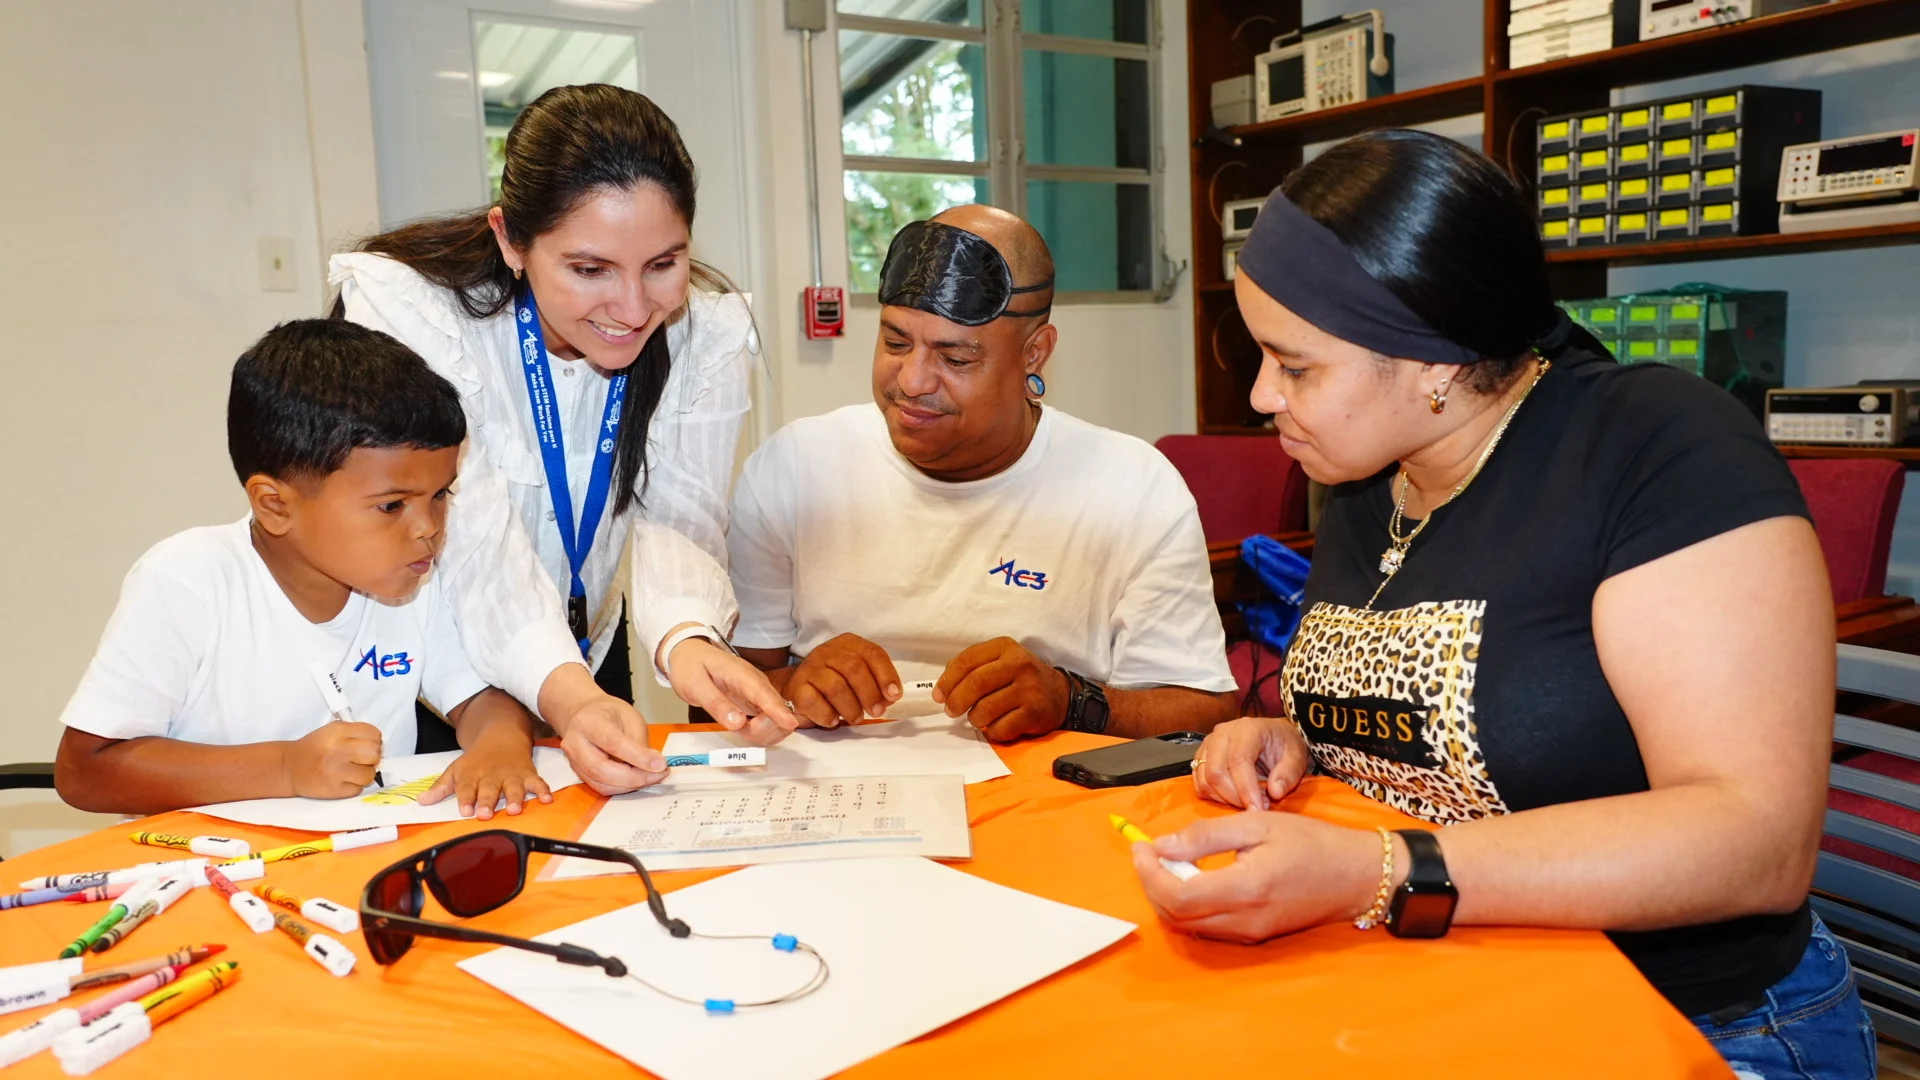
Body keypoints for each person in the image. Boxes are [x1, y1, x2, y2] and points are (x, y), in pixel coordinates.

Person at [1127, 131, 1870, 1079]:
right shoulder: (1370, 474)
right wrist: (1293, 736)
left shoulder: (1659, 449)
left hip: (1689, 1025)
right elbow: (1482, 711)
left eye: (1295, 365)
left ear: (1434, 359)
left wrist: (1378, 870)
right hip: (1444, 989)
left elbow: (1755, 840)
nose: (1262, 394)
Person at [330, 84, 796, 784]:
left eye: (664, 264)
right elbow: (473, 541)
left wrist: (688, 637)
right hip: (435, 661)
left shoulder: (705, 335)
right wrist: (569, 694)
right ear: (510, 240)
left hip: (587, 654)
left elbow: (681, 514)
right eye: (589, 270)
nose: (634, 308)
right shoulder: (418, 316)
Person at [727, 206, 1237, 742]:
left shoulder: (1133, 490)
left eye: (956, 358)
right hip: (838, 802)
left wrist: (1069, 700)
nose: (914, 380)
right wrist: (793, 683)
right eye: (896, 343)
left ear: (1034, 354)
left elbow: (1204, 710)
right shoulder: (795, 469)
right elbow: (716, 699)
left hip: (1046, 803)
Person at [55, 320, 549, 819]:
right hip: (208, 871)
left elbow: (483, 698)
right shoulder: (188, 580)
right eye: (392, 505)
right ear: (274, 506)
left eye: (441, 494)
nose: (428, 527)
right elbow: (85, 771)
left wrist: (499, 745)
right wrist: (287, 767)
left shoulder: (412, 580)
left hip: (356, 862)